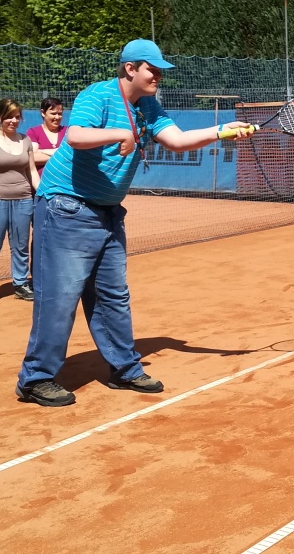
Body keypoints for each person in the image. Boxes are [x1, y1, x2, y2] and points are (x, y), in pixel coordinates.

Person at [15, 39, 253, 408]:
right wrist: (121, 133)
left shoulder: (148, 105)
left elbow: (177, 140)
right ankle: (36, 379)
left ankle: (124, 369)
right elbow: (76, 136)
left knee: (113, 296)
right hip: (66, 208)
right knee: (60, 298)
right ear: (130, 68)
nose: (159, 77)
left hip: (108, 213)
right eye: (152, 70)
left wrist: (223, 130)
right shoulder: (99, 95)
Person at [0, 99, 39, 307]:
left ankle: (20, 284)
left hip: (23, 199)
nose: (13, 121)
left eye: (17, 117)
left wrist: (43, 192)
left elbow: (31, 171)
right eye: (9, 116)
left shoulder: (25, 140)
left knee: (20, 246)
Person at [25, 97, 66, 169]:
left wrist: (42, 151)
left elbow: (73, 155)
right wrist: (62, 155)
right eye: (53, 113)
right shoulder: (33, 132)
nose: (57, 117)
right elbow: (33, 158)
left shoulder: (68, 131)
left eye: (60, 114)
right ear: (43, 113)